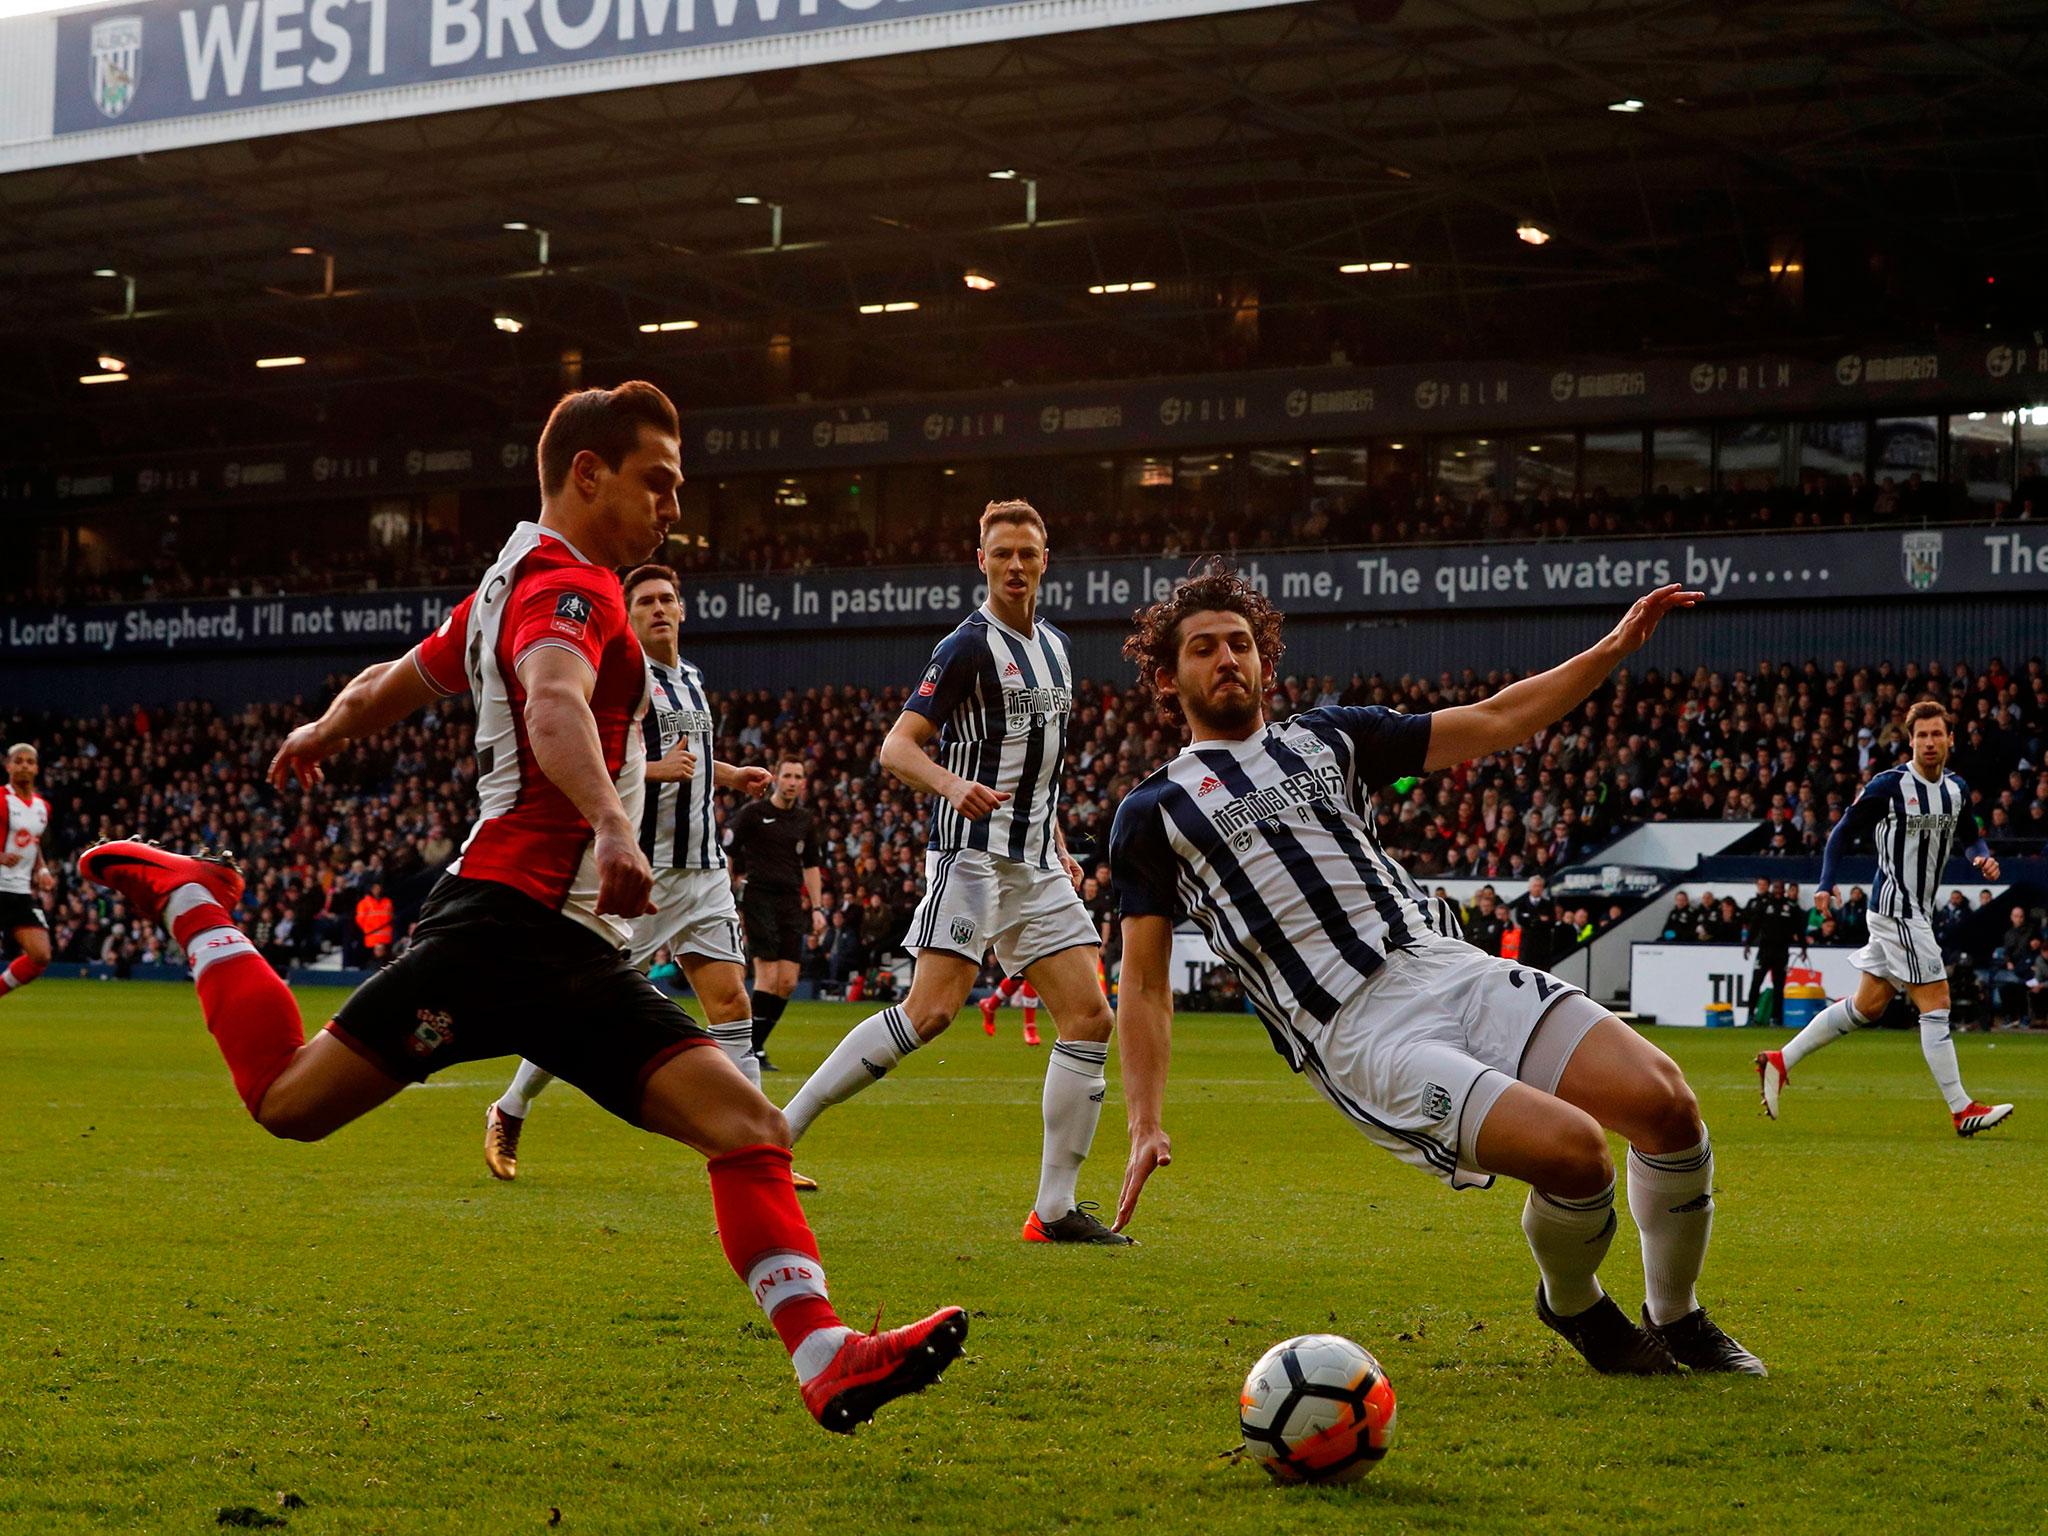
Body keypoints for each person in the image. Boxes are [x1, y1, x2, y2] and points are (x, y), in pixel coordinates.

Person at [77, 382, 963, 1432]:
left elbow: (392, 680)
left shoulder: (506, 582)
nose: (672, 506)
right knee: (285, 1102)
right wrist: (614, 825)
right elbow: (551, 699)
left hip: (563, 945)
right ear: (588, 473)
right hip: (508, 925)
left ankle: (827, 1358)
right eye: (656, 483)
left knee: (747, 1125)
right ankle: (195, 899)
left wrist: (327, 727)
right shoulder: (569, 588)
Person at [1110, 565, 1762, 1376]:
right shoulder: (1152, 812)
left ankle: (1677, 1314)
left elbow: (1497, 718)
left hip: (1449, 965)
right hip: (1360, 1029)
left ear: (1264, 660)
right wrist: (1144, 1121)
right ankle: (1574, 1303)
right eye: (1203, 649)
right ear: (1170, 678)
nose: (1226, 659)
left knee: (1667, 1106)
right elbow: (1141, 983)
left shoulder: (1329, 738)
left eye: (1240, 642)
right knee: (1577, 1154)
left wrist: (1614, 646)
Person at [782, 499, 1127, 1245]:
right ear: (982, 560)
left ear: (1044, 559)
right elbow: (897, 748)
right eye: (1001, 552)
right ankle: (778, 1133)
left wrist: (1059, 837)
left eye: (1026, 553)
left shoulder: (1060, 650)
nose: (1014, 565)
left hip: (1036, 862)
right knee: (931, 1011)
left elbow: (1039, 764)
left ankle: (1056, 1209)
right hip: (971, 856)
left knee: (1092, 1017)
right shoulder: (967, 647)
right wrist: (949, 785)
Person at [484, 563, 816, 1191]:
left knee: (732, 1002)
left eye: (668, 599)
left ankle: (759, 1149)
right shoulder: (618, 683)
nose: (660, 609)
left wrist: (730, 774)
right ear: (629, 617)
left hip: (704, 872)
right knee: (581, 1004)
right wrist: (661, 771)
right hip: (644, 872)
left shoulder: (691, 678)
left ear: (683, 610)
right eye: (646, 603)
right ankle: (510, 1108)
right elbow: (593, 765)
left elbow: (693, 763)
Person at [1756, 701, 2010, 1136]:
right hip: (1898, 909)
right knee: (1937, 1003)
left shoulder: (1956, 789)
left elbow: (1971, 838)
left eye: (1937, 734)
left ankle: (1781, 1061)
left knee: (1867, 1007)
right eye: (1921, 736)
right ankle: (1961, 1108)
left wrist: (1982, 859)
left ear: (1950, 738)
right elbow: (1841, 832)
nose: (1930, 742)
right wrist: (1824, 883)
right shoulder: (1889, 786)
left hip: (1917, 911)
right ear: (1910, 741)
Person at [727, 759, 822, 1071]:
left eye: (798, 777)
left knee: (788, 982)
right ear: (777, 778)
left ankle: (753, 1046)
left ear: (803, 782)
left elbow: (811, 866)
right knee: (768, 977)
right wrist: (729, 893)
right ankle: (750, 1050)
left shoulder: (805, 820)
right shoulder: (753, 813)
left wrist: (819, 909)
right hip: (759, 898)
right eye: (788, 776)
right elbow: (728, 852)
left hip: (791, 902)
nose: (792, 782)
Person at [0, 743, 55, 1001]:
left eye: (29, 761)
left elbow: (34, 843)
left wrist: (41, 869)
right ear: (8, 766)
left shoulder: (42, 808)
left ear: (36, 768)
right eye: (18, 760)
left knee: (41, 955)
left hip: (20, 893)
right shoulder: (1, 799)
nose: (24, 765)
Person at [1740, 879, 1806, 1027]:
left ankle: (1776, 1018)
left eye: (1780, 888)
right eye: (1775, 887)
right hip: (1764, 950)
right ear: (1772, 888)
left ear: (1784, 890)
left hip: (1781, 952)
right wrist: (1747, 944)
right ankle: (1750, 1015)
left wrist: (1803, 947)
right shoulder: (1764, 904)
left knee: (1779, 986)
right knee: (1756, 982)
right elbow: (1755, 925)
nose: (1778, 890)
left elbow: (1799, 929)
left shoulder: (1790, 907)